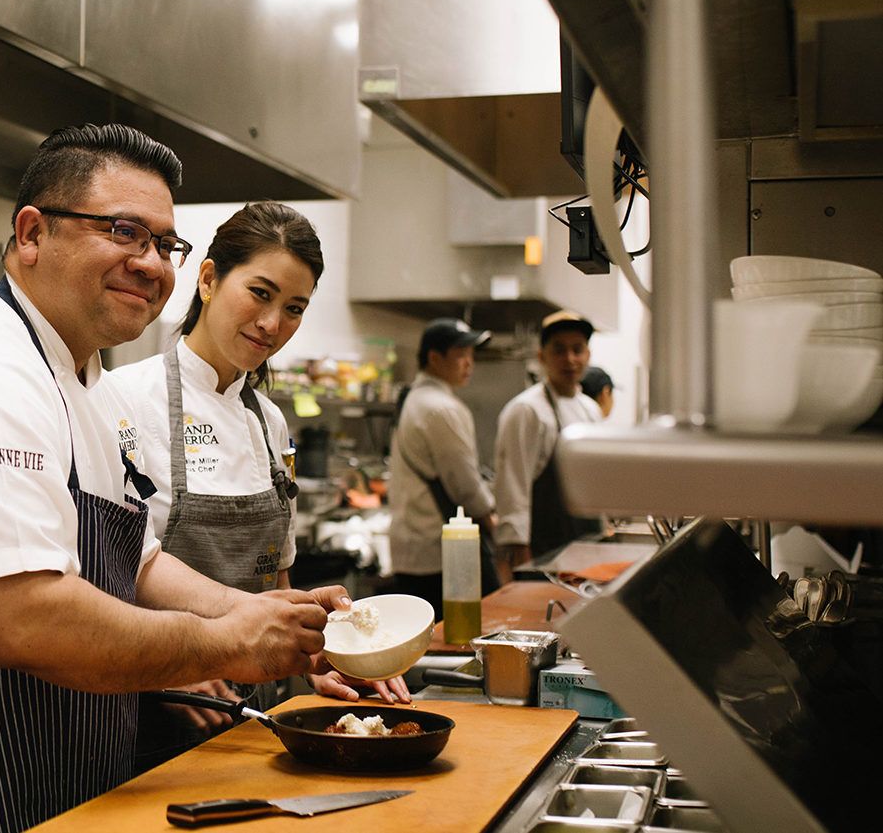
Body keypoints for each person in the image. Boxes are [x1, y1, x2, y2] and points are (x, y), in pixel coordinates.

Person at [0, 126, 345, 833]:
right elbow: (24, 617)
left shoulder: (88, 384)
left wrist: (260, 617)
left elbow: (136, 559)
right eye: (123, 231)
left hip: (45, 789)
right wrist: (228, 644)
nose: (150, 263)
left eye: (164, 245)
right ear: (31, 233)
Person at [106, 202, 409, 769]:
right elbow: (108, 573)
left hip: (256, 718)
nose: (273, 324)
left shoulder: (268, 422)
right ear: (209, 278)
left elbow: (276, 575)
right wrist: (175, 661)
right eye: (261, 293)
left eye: (294, 308)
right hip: (154, 711)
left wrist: (321, 656)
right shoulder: (124, 400)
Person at [388, 318, 500, 619]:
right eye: (461, 354)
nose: (469, 363)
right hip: (441, 553)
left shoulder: (413, 397)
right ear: (435, 358)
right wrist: (491, 518)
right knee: (456, 640)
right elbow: (464, 484)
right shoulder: (442, 407)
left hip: (413, 549)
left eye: (471, 355)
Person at [493, 310, 603, 580]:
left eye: (577, 349)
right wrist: (518, 551)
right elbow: (513, 484)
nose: (570, 359)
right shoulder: (527, 410)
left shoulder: (590, 409)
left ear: (588, 354)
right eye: (559, 350)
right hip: (543, 550)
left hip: (587, 542)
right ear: (542, 356)